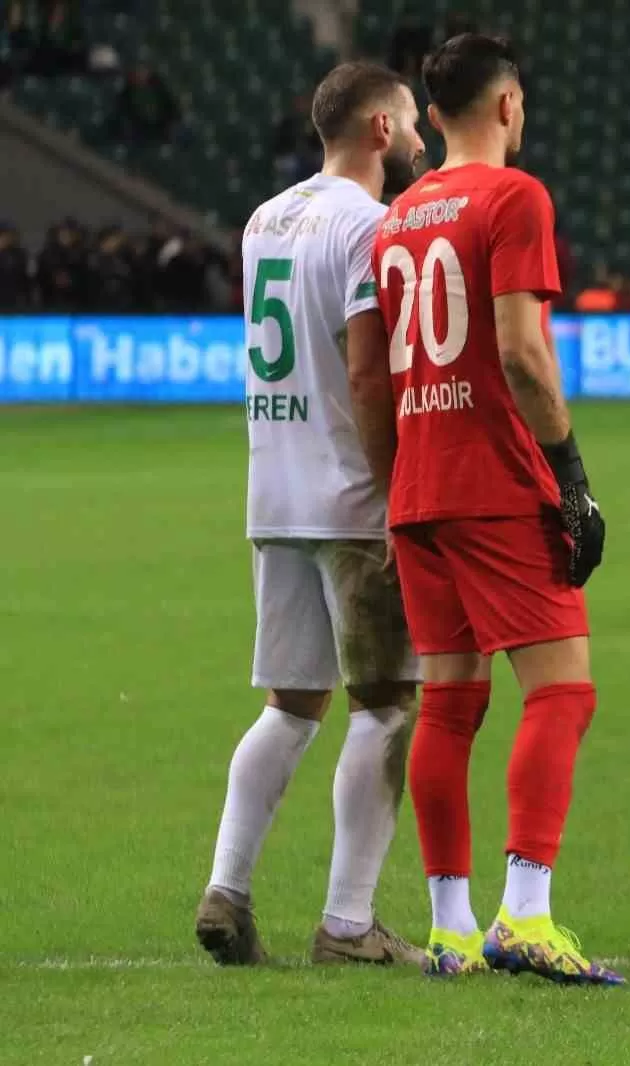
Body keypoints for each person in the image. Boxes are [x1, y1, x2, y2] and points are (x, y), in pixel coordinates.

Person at [357, 32, 619, 986]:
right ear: (509, 105)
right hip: (497, 480)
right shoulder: (515, 197)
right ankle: (527, 914)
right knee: (562, 692)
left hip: (420, 486)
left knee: (452, 703)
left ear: (433, 116)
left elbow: (373, 372)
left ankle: (452, 930)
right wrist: (571, 476)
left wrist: (398, 486)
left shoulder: (397, 216)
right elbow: (521, 352)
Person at [194, 61, 430, 969]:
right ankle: (348, 923)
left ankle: (227, 888)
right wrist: (397, 492)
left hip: (274, 491)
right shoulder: (371, 226)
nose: (420, 141)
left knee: (292, 704)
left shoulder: (265, 218)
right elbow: (367, 371)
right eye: (411, 124)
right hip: (350, 497)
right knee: (387, 703)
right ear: (380, 128)